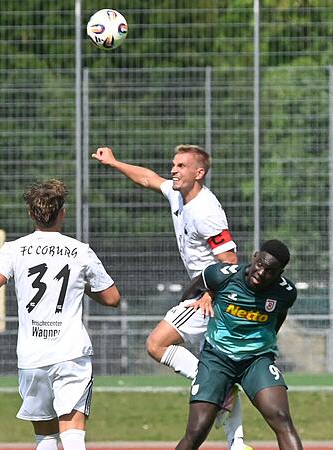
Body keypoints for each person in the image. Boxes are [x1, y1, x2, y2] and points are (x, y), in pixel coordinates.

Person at [92, 145, 249, 450]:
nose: (173, 170)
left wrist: (210, 294)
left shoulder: (207, 211)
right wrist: (113, 162)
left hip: (213, 297)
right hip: (210, 293)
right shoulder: (178, 193)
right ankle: (237, 442)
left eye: (180, 166)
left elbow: (229, 260)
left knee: (156, 343)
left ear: (198, 173)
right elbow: (148, 179)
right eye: (173, 165)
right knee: (221, 369)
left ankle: (211, 386)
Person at [0, 179, 120, 450]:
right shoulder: (79, 251)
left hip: (32, 356)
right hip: (70, 353)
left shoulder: (14, 249)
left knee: (45, 436)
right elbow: (112, 298)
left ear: (31, 214)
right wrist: (81, 285)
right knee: (73, 432)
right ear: (62, 213)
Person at [176, 239, 303, 450]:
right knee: (197, 430)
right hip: (217, 359)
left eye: (270, 271)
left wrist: (262, 346)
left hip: (256, 362)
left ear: (280, 273)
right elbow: (190, 293)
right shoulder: (220, 275)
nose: (261, 272)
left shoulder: (286, 292)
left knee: (281, 418)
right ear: (255, 257)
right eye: (260, 264)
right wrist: (201, 300)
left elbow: (276, 320)